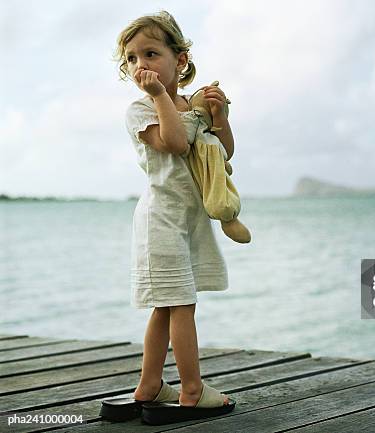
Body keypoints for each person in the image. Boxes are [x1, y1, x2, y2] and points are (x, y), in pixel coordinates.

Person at [100, 10, 235, 424]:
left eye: (151, 53)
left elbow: (222, 152)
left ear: (180, 60)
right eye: (132, 59)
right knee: (182, 305)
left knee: (165, 306)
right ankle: (192, 391)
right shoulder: (141, 111)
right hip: (160, 220)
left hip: (189, 221)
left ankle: (149, 386)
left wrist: (221, 119)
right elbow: (175, 144)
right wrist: (161, 97)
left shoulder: (191, 105)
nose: (141, 65)